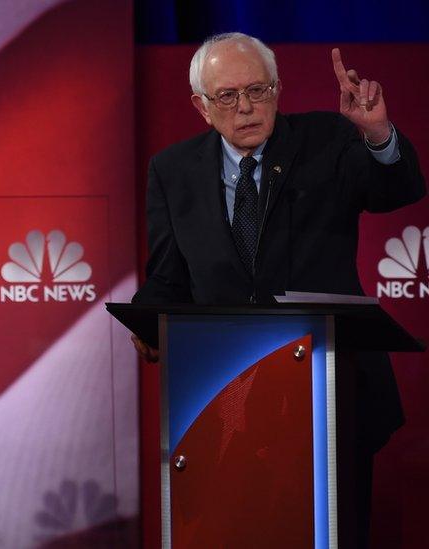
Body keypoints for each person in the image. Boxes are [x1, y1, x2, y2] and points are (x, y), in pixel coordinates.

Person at [131, 33, 425, 545]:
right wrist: (145, 317)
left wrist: (377, 135)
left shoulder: (328, 140)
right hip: (224, 397)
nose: (245, 107)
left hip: (329, 393)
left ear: (278, 89)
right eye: (226, 96)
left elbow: (395, 190)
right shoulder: (172, 171)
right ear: (201, 107)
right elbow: (168, 274)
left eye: (258, 90)